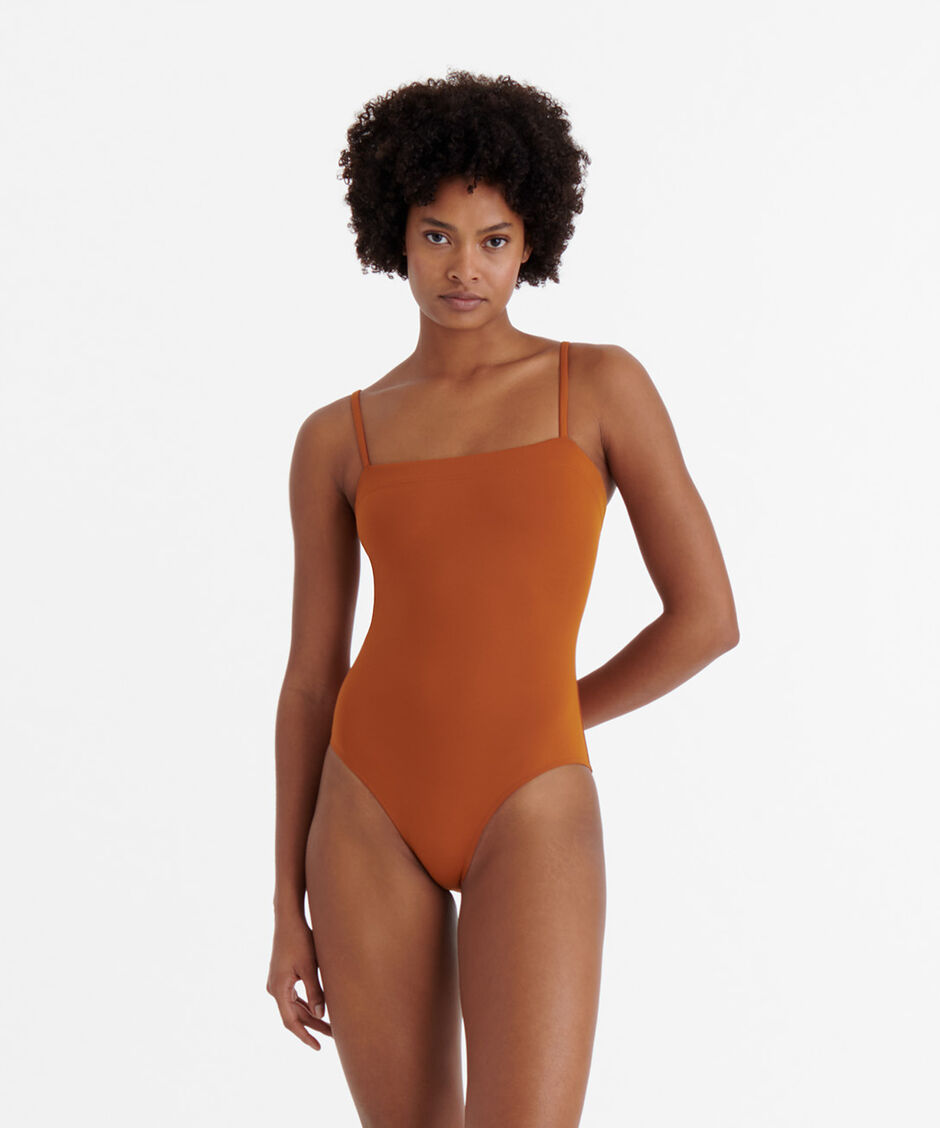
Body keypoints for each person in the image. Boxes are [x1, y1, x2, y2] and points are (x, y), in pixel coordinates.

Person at [267, 69, 739, 1127]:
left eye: (493, 239)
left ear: (532, 244)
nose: (463, 267)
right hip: (366, 804)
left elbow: (707, 617)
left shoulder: (599, 386)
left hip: (532, 794)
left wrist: (554, 713)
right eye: (437, 235)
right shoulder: (336, 436)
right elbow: (308, 681)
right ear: (395, 237)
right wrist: (285, 906)